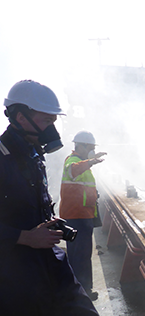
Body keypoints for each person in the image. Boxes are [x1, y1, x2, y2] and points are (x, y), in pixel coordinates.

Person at [0, 80, 99, 316]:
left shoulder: (34, 155)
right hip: (13, 271)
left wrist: (49, 220)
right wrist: (25, 237)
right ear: (21, 117)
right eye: (47, 121)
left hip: (50, 261)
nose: (52, 131)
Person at [59, 131, 106, 301]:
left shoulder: (82, 162)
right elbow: (72, 171)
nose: (92, 151)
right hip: (75, 216)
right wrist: (91, 162)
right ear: (82, 146)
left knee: (84, 255)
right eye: (91, 148)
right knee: (78, 255)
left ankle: (84, 288)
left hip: (84, 215)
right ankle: (79, 291)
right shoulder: (73, 161)